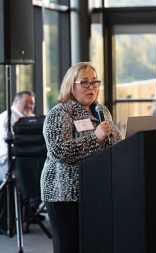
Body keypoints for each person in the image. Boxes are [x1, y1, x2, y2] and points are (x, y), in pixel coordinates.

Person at [41, 62, 122, 253]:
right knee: (70, 247)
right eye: (84, 82)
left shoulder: (101, 110)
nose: (92, 87)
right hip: (64, 194)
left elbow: (113, 141)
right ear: (71, 85)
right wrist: (95, 138)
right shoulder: (60, 113)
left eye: (95, 82)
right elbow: (59, 152)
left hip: (95, 191)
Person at [0, 90, 35, 181]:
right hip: (6, 161)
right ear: (16, 102)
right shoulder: (7, 117)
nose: (30, 106)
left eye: (32, 103)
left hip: (26, 158)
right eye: (26, 103)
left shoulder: (32, 118)